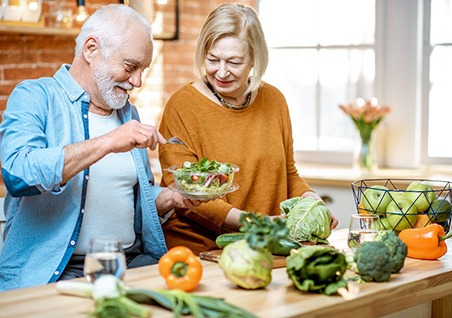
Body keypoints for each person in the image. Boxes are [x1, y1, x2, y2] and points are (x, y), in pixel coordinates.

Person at [0, 4, 199, 291]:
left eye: (143, 70)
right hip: (60, 269)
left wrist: (170, 198)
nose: (138, 81)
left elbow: (126, 199)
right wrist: (107, 143)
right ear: (91, 49)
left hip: (130, 261)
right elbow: (19, 175)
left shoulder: (127, 114)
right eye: (130, 67)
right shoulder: (35, 96)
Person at [158, 3, 339, 255]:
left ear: (254, 58)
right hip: (200, 250)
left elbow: (288, 173)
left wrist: (312, 202)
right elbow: (184, 191)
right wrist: (252, 222)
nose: (221, 72)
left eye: (234, 61)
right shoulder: (182, 105)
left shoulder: (274, 100)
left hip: (265, 245)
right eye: (212, 59)